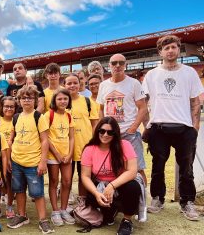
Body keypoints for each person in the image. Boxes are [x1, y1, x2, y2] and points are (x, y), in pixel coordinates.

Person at [142, 35, 203, 221]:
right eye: (166, 48)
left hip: (184, 128)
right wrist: (147, 126)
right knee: (157, 167)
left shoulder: (190, 72)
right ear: (160, 51)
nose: (170, 51)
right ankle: (158, 199)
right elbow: (144, 103)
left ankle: (187, 202)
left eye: (174, 47)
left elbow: (195, 102)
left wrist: (195, 127)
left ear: (179, 50)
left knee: (187, 168)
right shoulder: (152, 75)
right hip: (159, 127)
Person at [6, 85, 54, 234]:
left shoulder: (38, 117)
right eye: (23, 98)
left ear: (35, 100)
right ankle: (22, 215)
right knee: (19, 190)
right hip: (16, 161)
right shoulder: (16, 117)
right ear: (19, 100)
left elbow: (45, 140)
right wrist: (8, 159)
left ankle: (43, 220)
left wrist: (43, 161)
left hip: (33, 163)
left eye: (30, 97)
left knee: (37, 193)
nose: (26, 100)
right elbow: (11, 139)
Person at [81, 117, 141, 235]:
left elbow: (132, 171)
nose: (105, 135)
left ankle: (127, 221)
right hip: (100, 185)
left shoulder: (125, 145)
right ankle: (109, 211)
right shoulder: (89, 149)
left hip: (121, 183)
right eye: (102, 131)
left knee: (133, 187)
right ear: (97, 131)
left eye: (110, 132)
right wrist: (96, 193)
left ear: (116, 133)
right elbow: (85, 176)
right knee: (92, 198)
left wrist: (112, 186)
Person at [96, 53, 148, 186]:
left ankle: (142, 201)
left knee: (137, 168)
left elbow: (142, 108)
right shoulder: (103, 85)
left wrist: (134, 128)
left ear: (126, 65)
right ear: (109, 66)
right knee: (114, 168)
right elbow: (101, 109)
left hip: (129, 133)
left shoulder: (134, 83)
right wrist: (102, 130)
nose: (117, 65)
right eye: (114, 63)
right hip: (110, 134)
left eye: (121, 63)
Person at [64, 73, 99, 201]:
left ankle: (82, 202)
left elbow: (95, 124)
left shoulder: (88, 101)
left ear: (80, 84)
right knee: (66, 180)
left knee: (84, 177)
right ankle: (65, 203)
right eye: (69, 83)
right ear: (64, 85)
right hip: (66, 148)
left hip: (85, 147)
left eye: (75, 83)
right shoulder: (61, 102)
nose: (72, 85)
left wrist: (92, 143)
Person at [44, 89, 75, 226]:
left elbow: (72, 137)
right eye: (59, 99)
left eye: (65, 99)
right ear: (54, 101)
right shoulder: (48, 115)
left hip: (66, 155)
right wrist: (56, 154)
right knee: (54, 181)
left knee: (67, 181)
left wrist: (69, 154)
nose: (63, 101)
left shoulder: (69, 116)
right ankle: (55, 211)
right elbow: (45, 138)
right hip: (53, 155)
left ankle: (63, 209)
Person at [0, 96, 17, 218]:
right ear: (2, 107)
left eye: (12, 106)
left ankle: (9, 206)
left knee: (10, 184)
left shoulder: (17, 120)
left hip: (13, 157)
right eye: (6, 106)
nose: (9, 108)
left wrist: (9, 159)